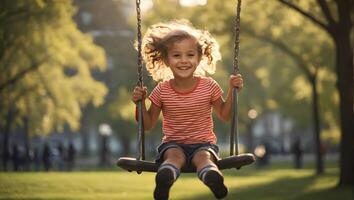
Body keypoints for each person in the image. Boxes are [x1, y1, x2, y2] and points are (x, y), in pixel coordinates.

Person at [131, 19, 244, 200]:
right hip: (173, 144)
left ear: (199, 58)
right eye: (177, 55)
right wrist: (140, 103)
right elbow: (148, 124)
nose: (184, 61)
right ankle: (165, 178)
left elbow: (225, 115)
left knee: (204, 158)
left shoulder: (209, 86)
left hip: (204, 144)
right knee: (174, 156)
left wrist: (232, 90)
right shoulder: (162, 90)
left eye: (190, 55)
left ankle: (212, 177)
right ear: (166, 60)